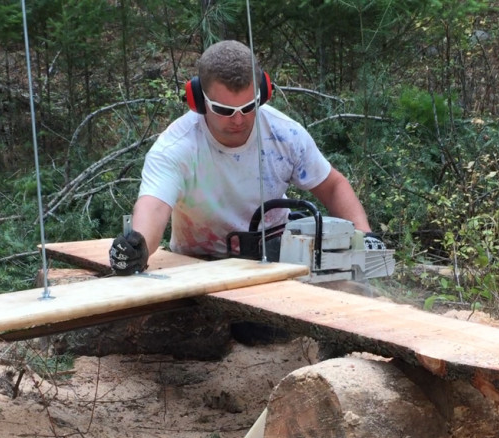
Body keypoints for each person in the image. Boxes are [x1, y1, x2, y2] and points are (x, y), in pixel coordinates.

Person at [109, 40, 381, 275]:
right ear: (198, 101)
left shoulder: (284, 134)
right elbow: (154, 207)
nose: (239, 119)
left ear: (263, 92)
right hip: (199, 265)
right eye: (225, 110)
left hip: (277, 257)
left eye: (249, 106)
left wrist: (365, 237)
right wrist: (138, 246)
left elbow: (332, 185)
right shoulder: (177, 147)